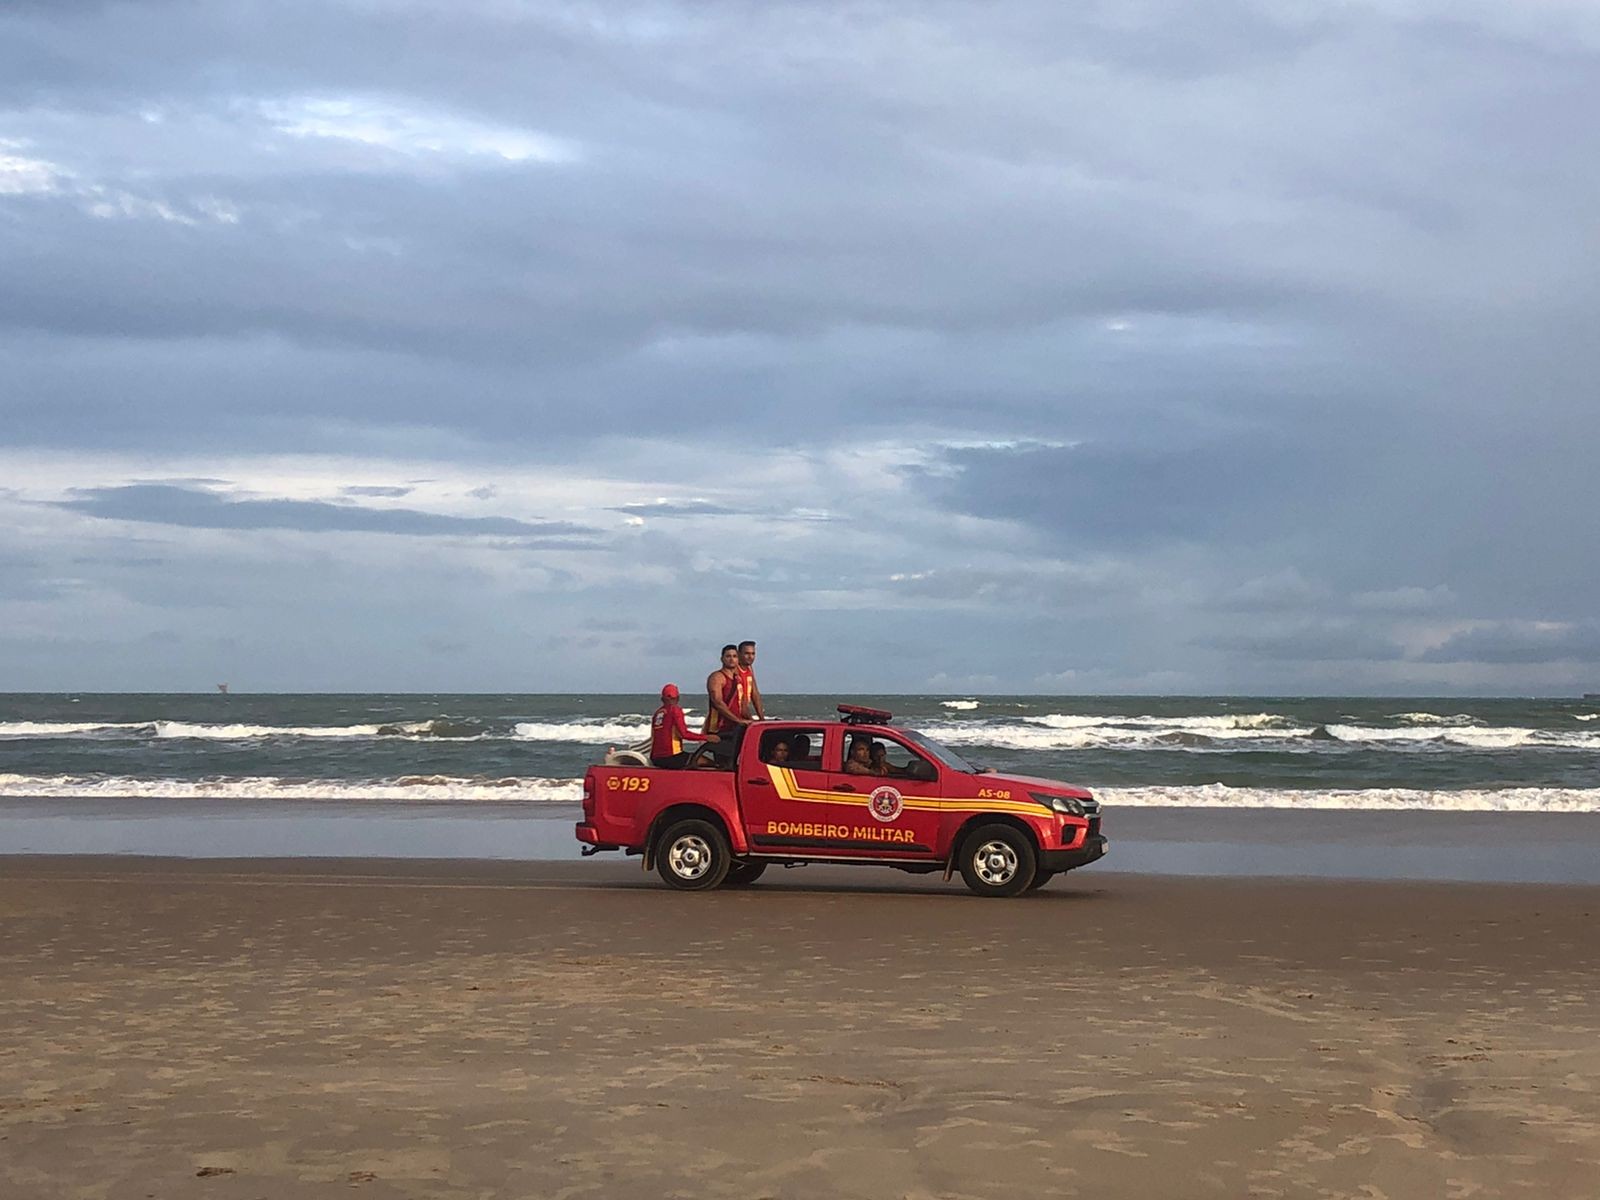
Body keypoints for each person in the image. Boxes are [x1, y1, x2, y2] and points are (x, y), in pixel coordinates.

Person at [650, 684, 716, 769]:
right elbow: (684, 734)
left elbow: (654, 737)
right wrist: (707, 737)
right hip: (672, 757)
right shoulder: (675, 710)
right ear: (678, 698)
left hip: (656, 759)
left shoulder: (657, 713)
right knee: (710, 763)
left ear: (662, 699)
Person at [703, 645, 747, 737]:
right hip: (719, 728)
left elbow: (742, 705)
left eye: (734, 656)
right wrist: (737, 720)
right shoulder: (717, 677)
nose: (732, 659)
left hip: (736, 726)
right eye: (728, 656)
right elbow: (717, 702)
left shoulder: (738, 679)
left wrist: (751, 721)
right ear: (722, 659)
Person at [736, 640, 765, 722]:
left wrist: (762, 719)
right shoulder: (735, 671)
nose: (750, 657)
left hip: (742, 716)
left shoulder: (749, 668)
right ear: (739, 654)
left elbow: (755, 694)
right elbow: (742, 703)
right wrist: (752, 720)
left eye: (753, 654)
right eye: (747, 653)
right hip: (733, 717)